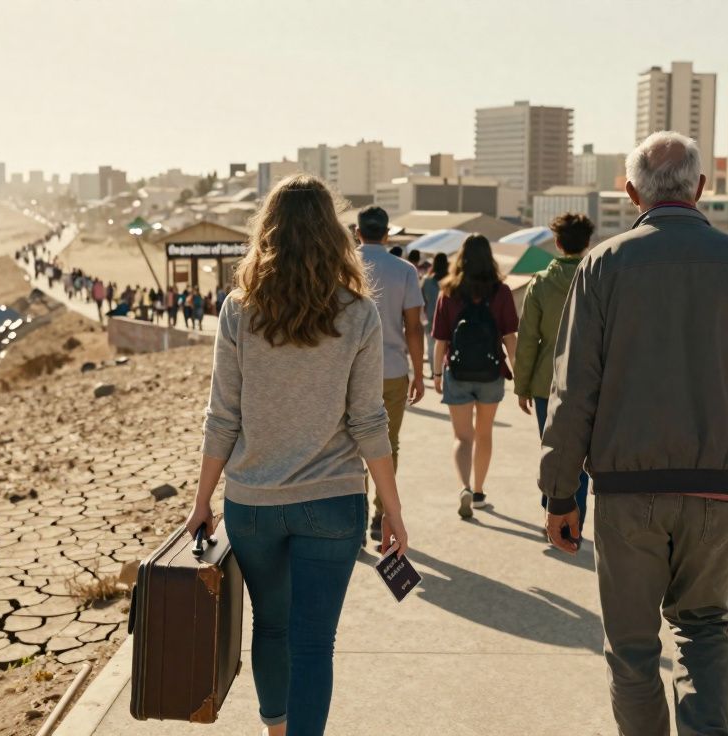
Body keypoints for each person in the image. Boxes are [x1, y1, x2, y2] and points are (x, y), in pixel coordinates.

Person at [538, 131, 728, 736]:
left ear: (631, 190)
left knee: (633, 646)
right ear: (701, 187)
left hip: (625, 492)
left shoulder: (603, 266)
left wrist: (561, 494)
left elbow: (573, 392)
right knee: (703, 626)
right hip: (720, 491)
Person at [183, 174, 409, 736]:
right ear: (334, 235)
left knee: (273, 629)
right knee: (314, 644)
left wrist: (201, 502)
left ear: (269, 232)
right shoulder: (357, 313)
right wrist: (393, 508)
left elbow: (222, 417)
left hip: (253, 502)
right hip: (331, 502)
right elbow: (367, 421)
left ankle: (274, 731)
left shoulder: (239, 310)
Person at [514, 212, 594, 532]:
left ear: (558, 243)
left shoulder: (541, 283)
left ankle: (552, 513)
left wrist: (522, 386)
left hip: (547, 382)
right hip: (591, 380)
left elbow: (528, 339)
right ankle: (576, 521)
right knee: (584, 460)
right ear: (588, 243)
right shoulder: (596, 279)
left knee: (553, 450)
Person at [431, 234, 519, 519]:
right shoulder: (501, 291)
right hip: (491, 372)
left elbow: (441, 339)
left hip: (456, 371)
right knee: (484, 434)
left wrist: (435, 373)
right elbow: (509, 337)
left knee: (462, 436)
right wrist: (519, 374)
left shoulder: (448, 291)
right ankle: (480, 491)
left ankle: (464, 487)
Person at [356, 206, 426, 543]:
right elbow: (413, 327)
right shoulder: (405, 271)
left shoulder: (343, 266)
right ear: (387, 235)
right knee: (388, 443)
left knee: (351, 446)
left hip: (351, 372)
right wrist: (420, 373)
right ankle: (380, 513)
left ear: (358, 233)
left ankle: (355, 516)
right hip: (393, 370)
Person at [421, 253, 448, 378]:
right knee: (446, 346)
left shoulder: (426, 281)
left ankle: (434, 371)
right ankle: (444, 369)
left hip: (430, 317)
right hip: (448, 319)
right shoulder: (450, 281)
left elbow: (422, 301)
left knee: (432, 346)